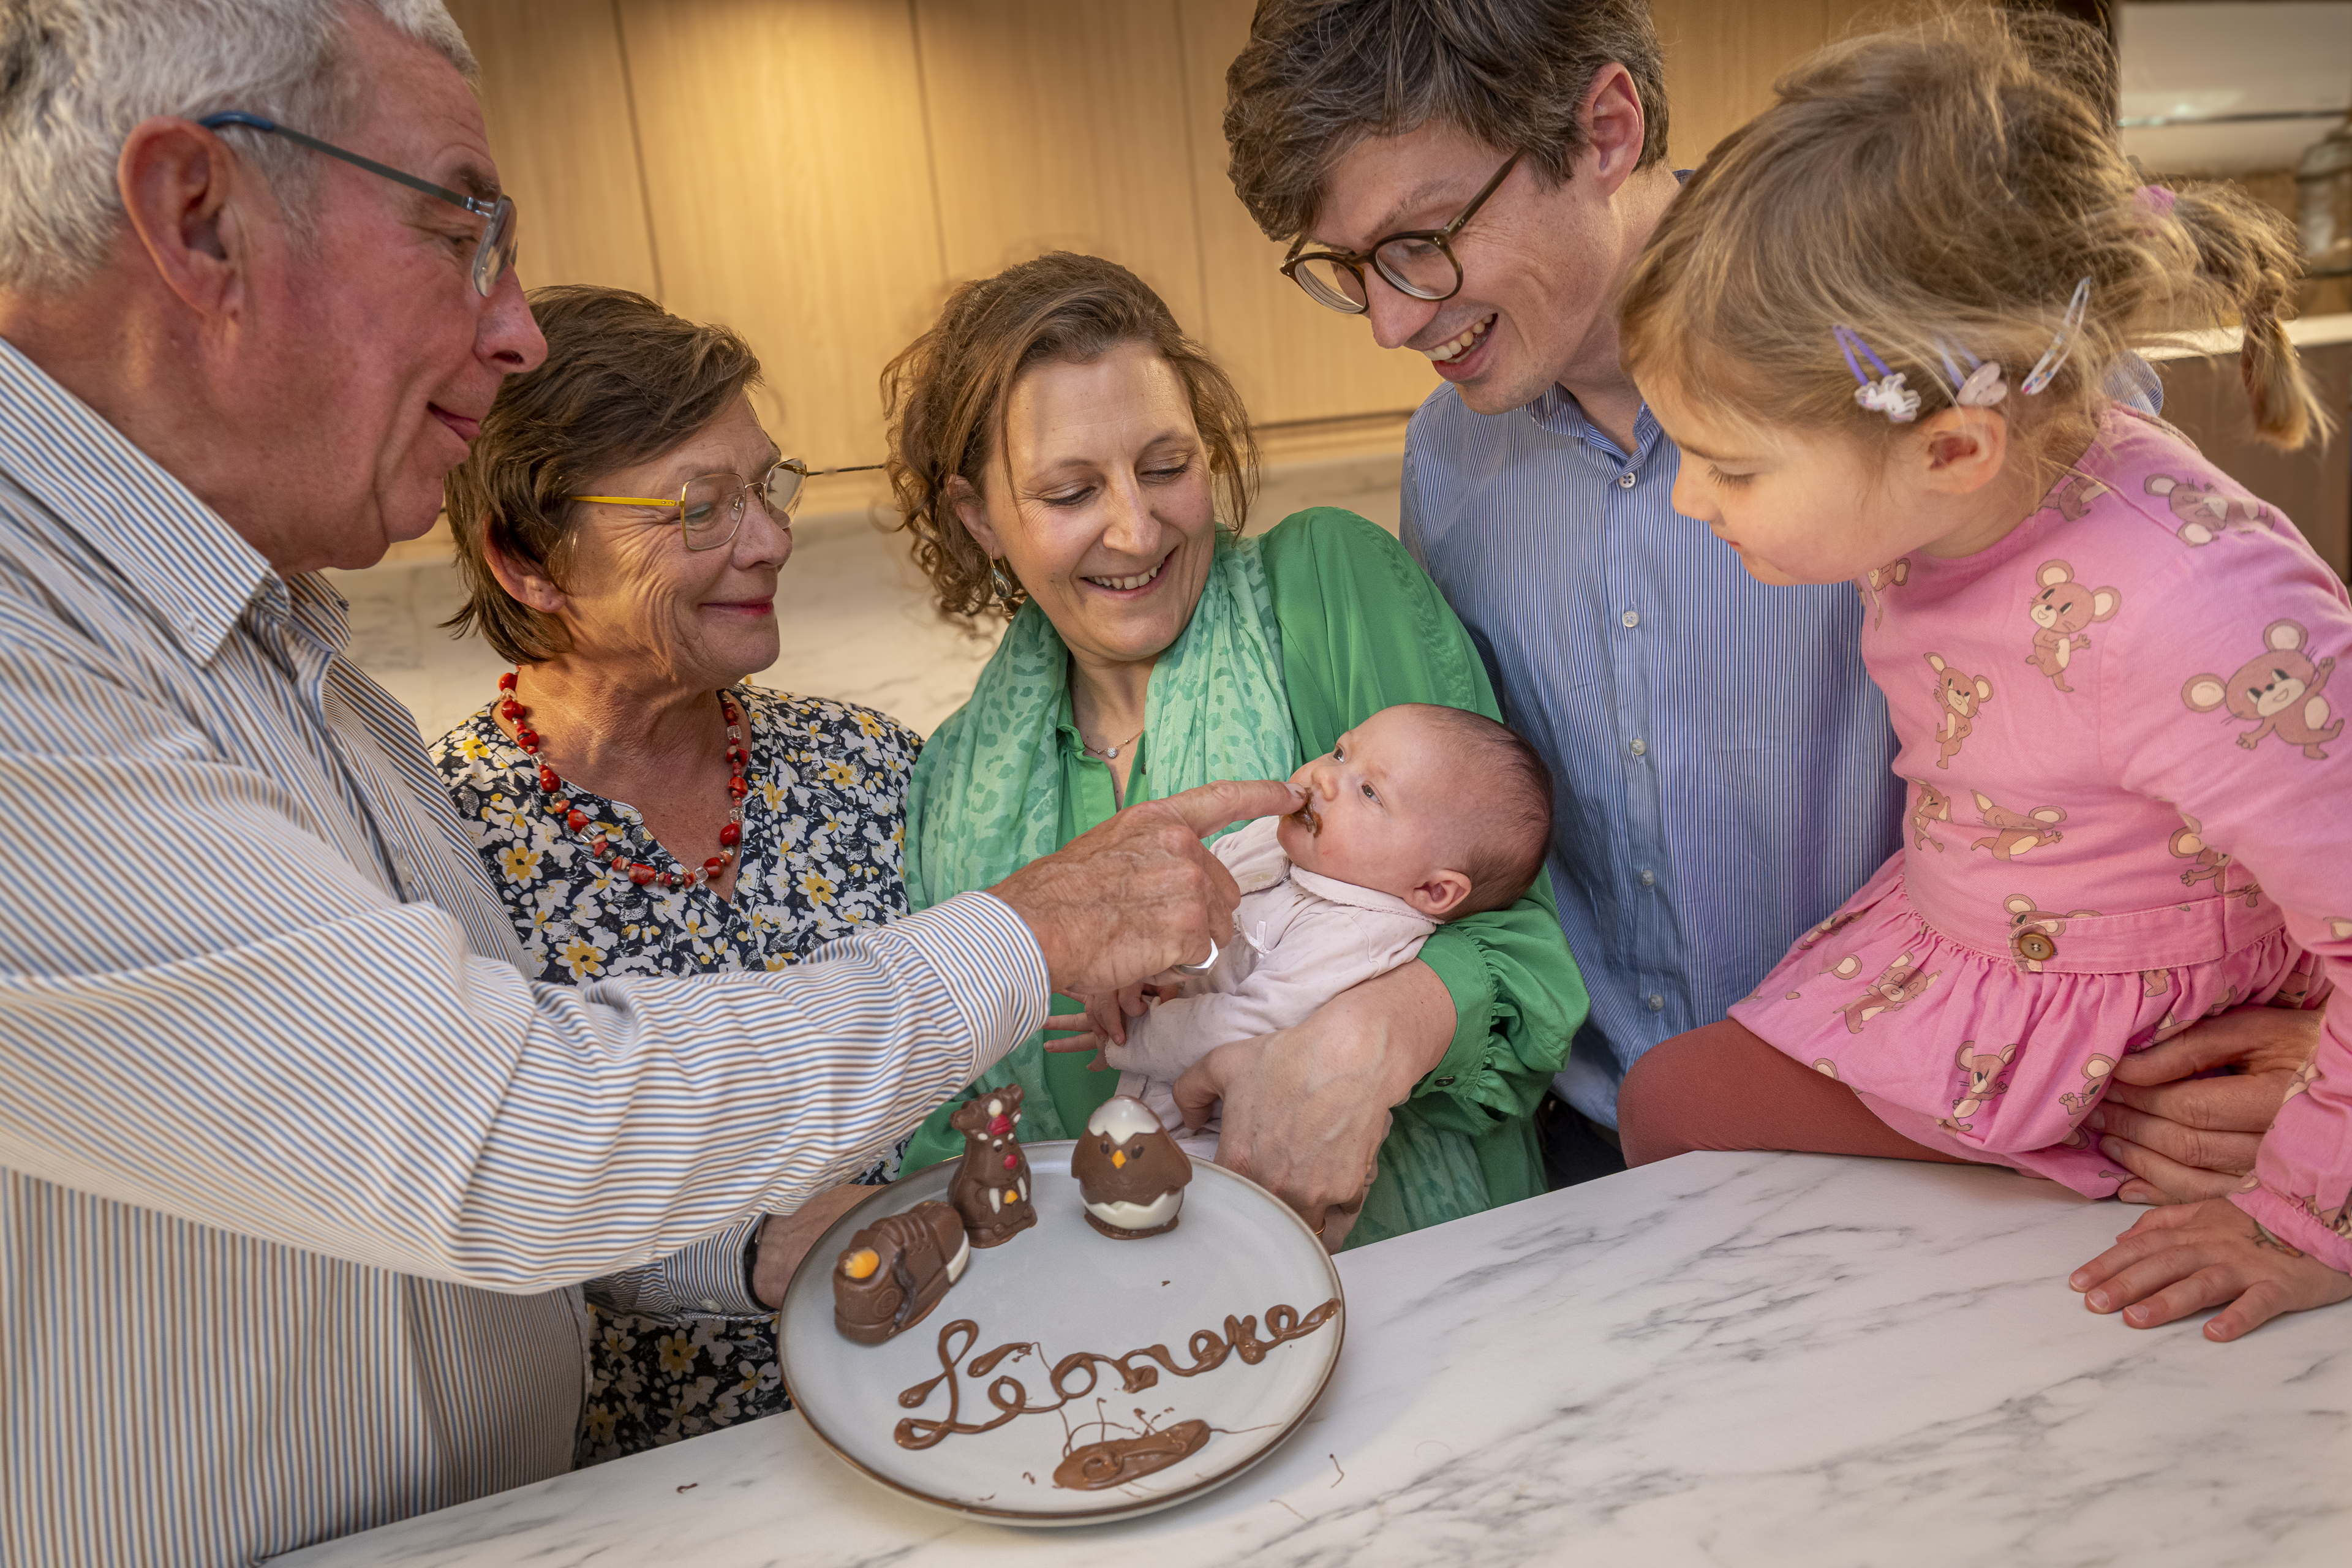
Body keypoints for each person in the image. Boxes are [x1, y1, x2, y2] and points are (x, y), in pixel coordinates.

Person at [0, 5, 1289, 1562]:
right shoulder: (40, 663)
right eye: (459, 231)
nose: (512, 327)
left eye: (768, 490)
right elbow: (504, 1132)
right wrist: (1031, 929)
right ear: (197, 218)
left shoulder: (287, 660)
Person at [1219, 0, 2324, 1200]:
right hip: (1599, 1148)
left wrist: (2310, 1060)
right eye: (1349, 269)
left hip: (1988, 1160)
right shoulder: (1449, 464)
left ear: (1605, 130)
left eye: (1420, 240)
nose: (1390, 321)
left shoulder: (1943, 354)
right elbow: (1464, 839)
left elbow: (2249, 773)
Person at [1610, 12, 2351, 1341]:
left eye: (1731, 465)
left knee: (1674, 1106)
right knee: (1672, 1107)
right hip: (1986, 959)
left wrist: (2301, 1212)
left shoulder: (2195, 608)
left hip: (2149, 1028)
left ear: (1952, 448)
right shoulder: (1951, 498)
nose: (1688, 501)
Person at [884, 252, 1588, 1248]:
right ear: (978, 519)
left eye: (1166, 468)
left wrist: (1372, 1034)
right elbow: (949, 1115)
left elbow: (1525, 953)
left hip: (1411, 1273)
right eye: (1071, 492)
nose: (1137, 531)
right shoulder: (955, 786)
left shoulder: (1326, 592)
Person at [431, 284, 919, 1462]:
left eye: (766, 485)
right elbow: (467, 1179)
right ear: (529, 558)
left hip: (946, 1400)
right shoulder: (443, 844)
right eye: (701, 508)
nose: (770, 539)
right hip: (656, 1486)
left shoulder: (872, 765)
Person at [1050, 703, 1553, 1163]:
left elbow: (1249, 1027)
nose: (1324, 777)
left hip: (1225, 1137)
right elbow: (1191, 904)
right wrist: (1143, 970)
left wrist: (1128, 1036)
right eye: (1340, 752)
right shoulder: (1274, 842)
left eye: (1370, 792)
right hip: (1154, 1099)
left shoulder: (1359, 932)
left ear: (1433, 890)